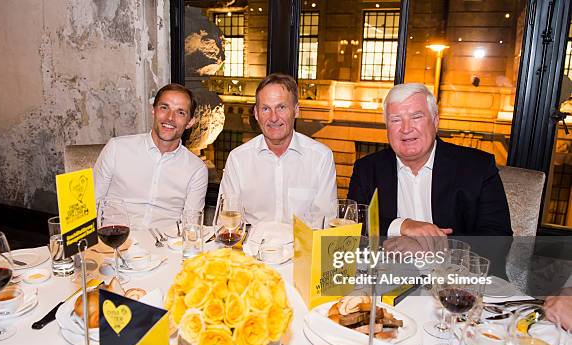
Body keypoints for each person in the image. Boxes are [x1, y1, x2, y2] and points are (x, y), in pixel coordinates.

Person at [348, 83, 512, 237]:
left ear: (435, 122)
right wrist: (402, 226)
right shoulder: (367, 169)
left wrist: (434, 247)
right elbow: (352, 224)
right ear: (387, 127)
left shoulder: (477, 167)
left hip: (452, 265)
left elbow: (498, 237)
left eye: (416, 117)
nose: (406, 129)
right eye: (396, 120)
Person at [219, 73, 337, 225]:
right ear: (256, 113)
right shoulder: (238, 159)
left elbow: (326, 223)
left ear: (296, 110)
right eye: (266, 109)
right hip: (251, 247)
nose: (273, 118)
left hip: (302, 248)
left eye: (281, 107)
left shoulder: (321, 157)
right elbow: (227, 221)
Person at [94, 83, 208, 228]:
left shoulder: (196, 169)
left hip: (165, 246)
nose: (170, 118)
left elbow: (191, 224)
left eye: (180, 112)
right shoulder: (117, 148)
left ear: (190, 122)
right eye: (164, 108)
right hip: (115, 240)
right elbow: (92, 203)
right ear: (153, 110)